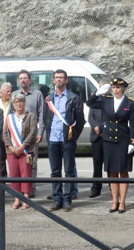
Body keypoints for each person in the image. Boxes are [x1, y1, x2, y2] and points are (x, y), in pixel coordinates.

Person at [87, 77, 134, 213]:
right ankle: (114, 200)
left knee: (123, 171)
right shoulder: (106, 101)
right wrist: (97, 93)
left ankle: (122, 201)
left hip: (122, 140)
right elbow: (89, 103)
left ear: (123, 89)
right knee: (112, 172)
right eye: (114, 87)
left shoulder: (129, 103)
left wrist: (133, 141)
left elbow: (132, 124)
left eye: (118, 87)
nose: (116, 90)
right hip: (109, 140)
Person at [43, 69, 85, 212]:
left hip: (67, 140)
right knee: (55, 172)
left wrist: (72, 137)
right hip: (53, 139)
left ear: (66, 80)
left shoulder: (74, 98)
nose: (59, 80)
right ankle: (57, 199)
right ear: (53, 81)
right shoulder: (49, 99)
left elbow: (80, 121)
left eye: (61, 77)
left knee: (68, 171)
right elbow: (45, 118)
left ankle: (67, 199)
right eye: (56, 78)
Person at [3, 92, 38, 209]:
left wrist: (23, 146)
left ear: (24, 103)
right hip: (11, 151)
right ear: (13, 104)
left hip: (25, 151)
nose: (19, 104)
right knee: (14, 175)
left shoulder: (30, 116)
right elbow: (5, 134)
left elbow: (33, 132)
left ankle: (26, 198)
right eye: (16, 102)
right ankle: (17, 199)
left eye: (21, 101)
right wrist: (11, 147)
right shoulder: (9, 118)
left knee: (26, 174)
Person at [17, 71, 45, 195]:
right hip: (17, 136)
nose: (23, 80)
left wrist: (41, 132)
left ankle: (30, 189)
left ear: (30, 80)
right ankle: (20, 190)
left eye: (25, 78)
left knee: (31, 163)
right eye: (20, 78)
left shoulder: (37, 94)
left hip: (33, 134)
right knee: (19, 164)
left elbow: (42, 114)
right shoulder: (15, 95)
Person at [87, 100, 104, 198]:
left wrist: (101, 128)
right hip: (96, 137)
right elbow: (90, 118)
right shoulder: (94, 102)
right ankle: (96, 189)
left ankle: (112, 187)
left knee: (110, 166)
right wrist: (95, 127)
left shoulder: (110, 101)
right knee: (97, 165)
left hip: (107, 136)